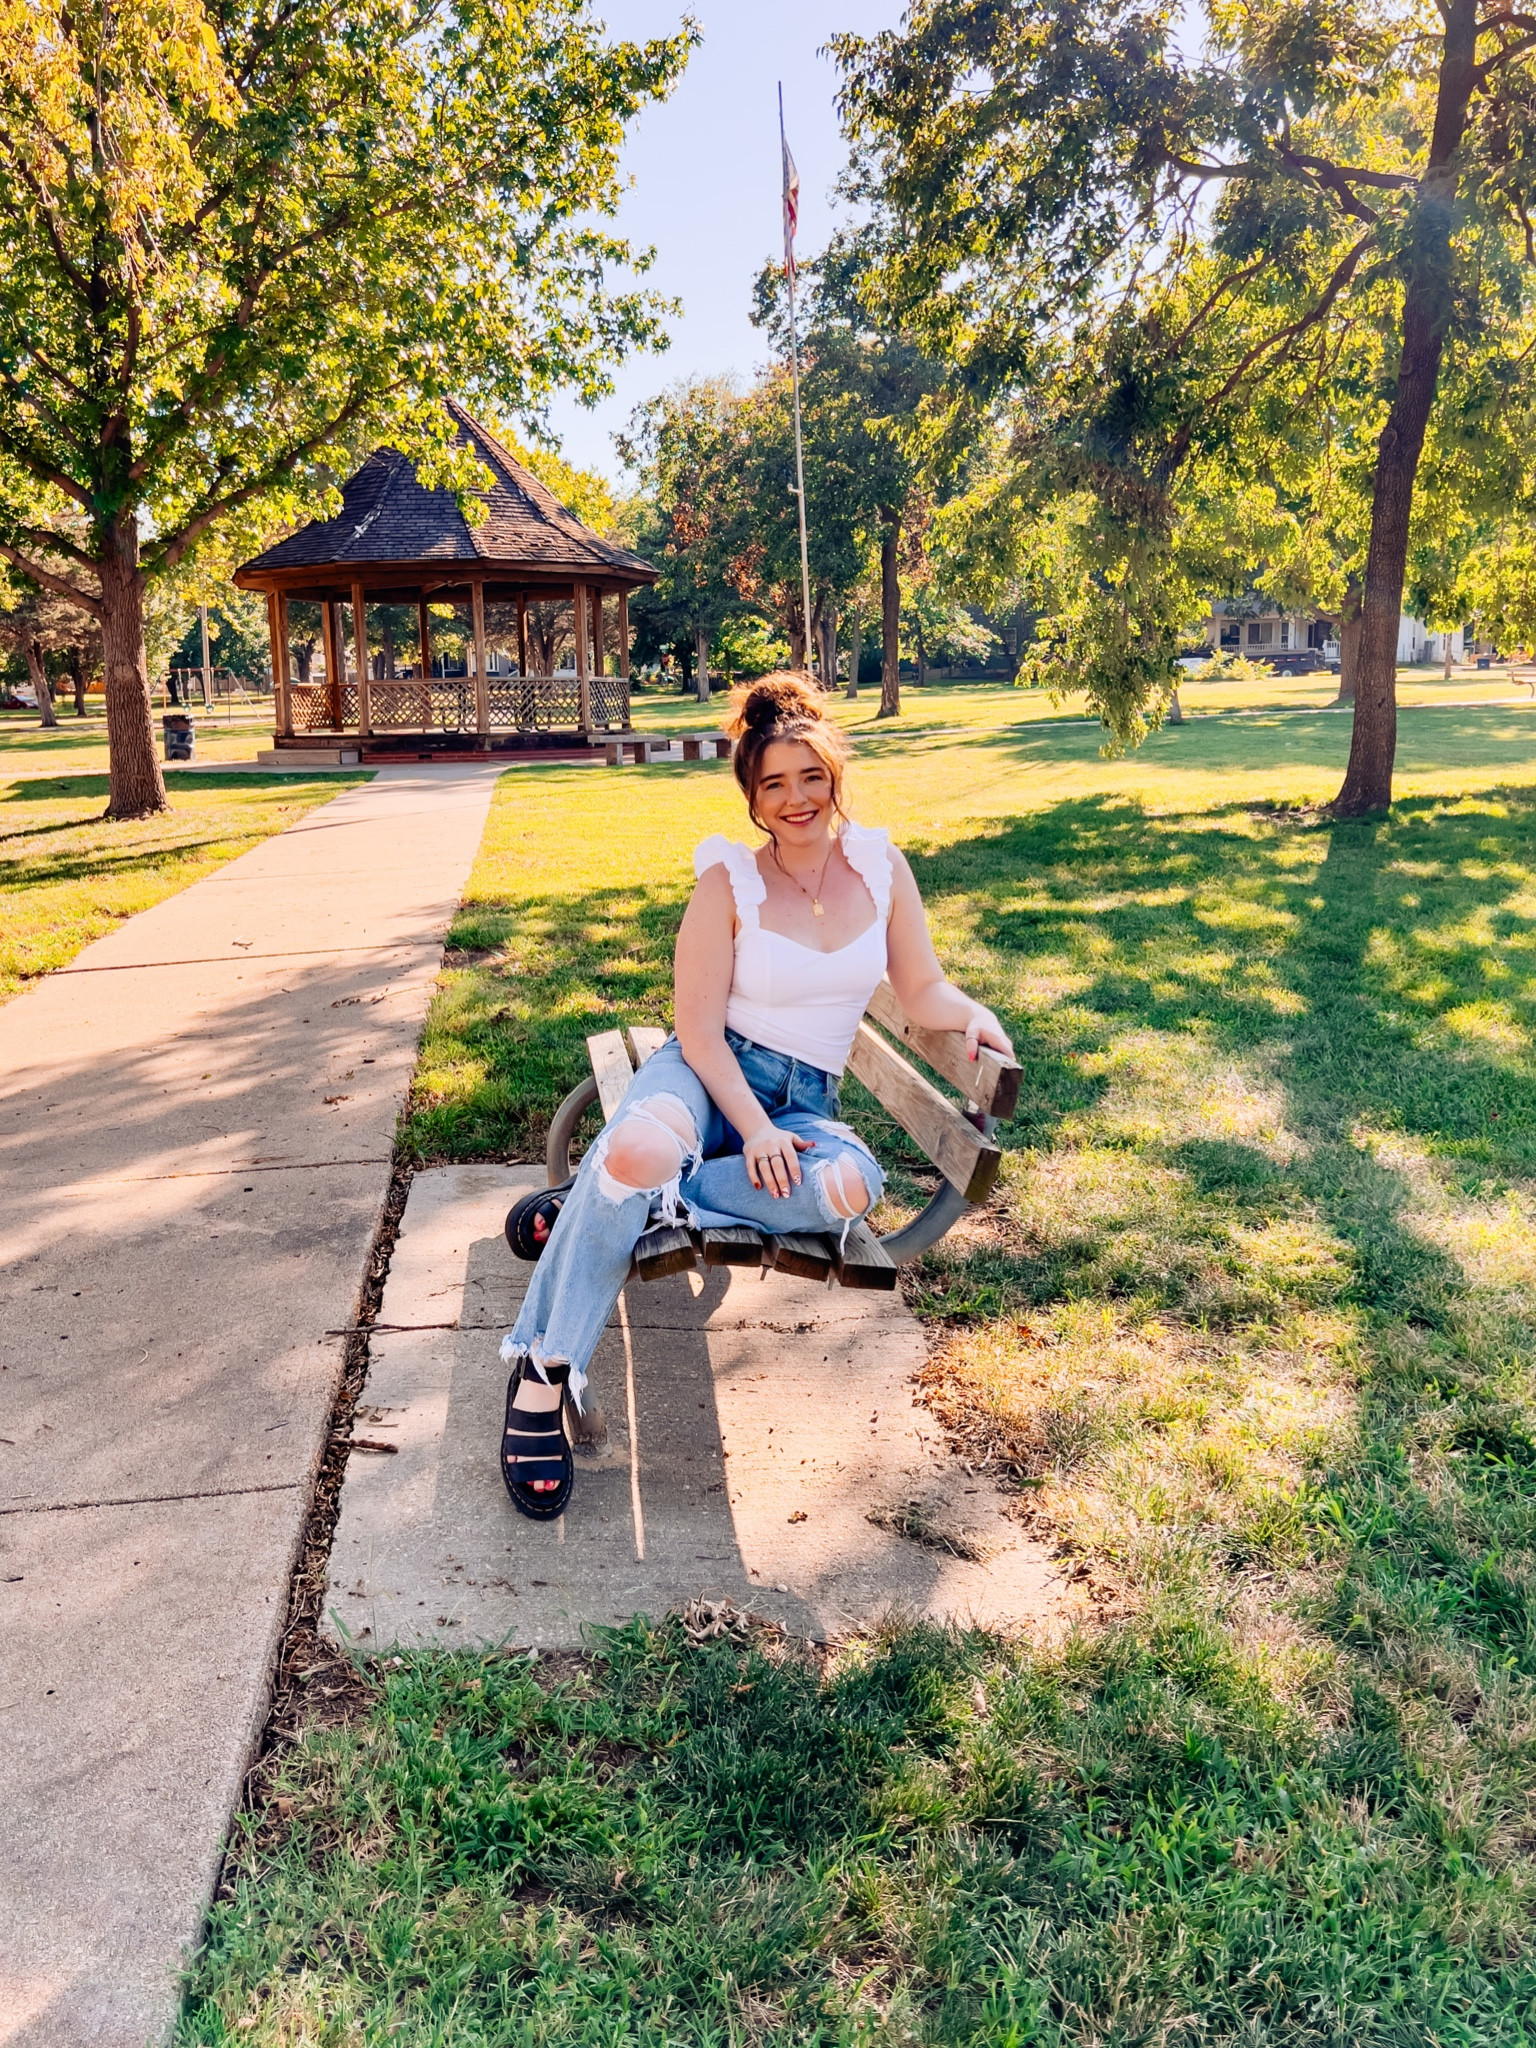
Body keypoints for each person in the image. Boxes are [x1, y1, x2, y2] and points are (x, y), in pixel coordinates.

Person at [497, 672, 1014, 1519]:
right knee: (634, 1149)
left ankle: (627, 1200)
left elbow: (921, 989)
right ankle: (543, 1377)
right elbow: (697, 1034)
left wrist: (974, 1016)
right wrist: (751, 1127)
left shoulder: (881, 868)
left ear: (834, 771)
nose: (797, 799)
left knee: (851, 1187)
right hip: (708, 1078)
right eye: (774, 784)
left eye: (810, 776)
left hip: (805, 1097)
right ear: (752, 797)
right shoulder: (727, 882)